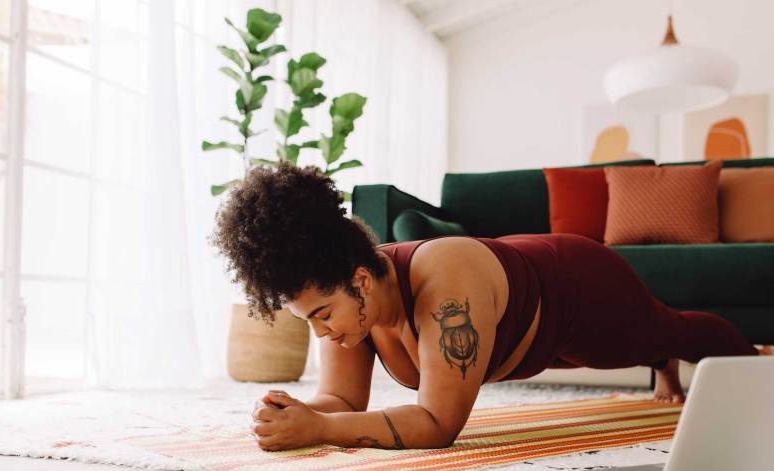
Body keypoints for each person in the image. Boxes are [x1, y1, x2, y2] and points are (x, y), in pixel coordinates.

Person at [212, 161, 762, 452]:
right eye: (310, 320)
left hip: (577, 285)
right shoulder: (350, 304)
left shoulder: (443, 281)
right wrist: (298, 415)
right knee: (603, 350)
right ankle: (662, 359)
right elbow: (339, 401)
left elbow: (437, 425)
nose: (323, 334)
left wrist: (321, 431)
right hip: (521, 312)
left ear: (360, 280)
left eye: (323, 316)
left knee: (663, 332)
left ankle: (750, 363)